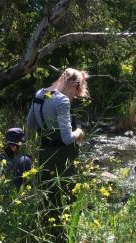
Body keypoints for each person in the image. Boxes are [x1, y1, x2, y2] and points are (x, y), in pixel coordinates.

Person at [26, 68, 89, 209]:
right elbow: (67, 138)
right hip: (62, 156)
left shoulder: (41, 94)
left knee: (47, 193)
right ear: (74, 85)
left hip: (44, 153)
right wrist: (79, 132)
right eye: (77, 92)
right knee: (63, 195)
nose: (75, 96)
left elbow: (30, 125)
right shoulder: (62, 101)